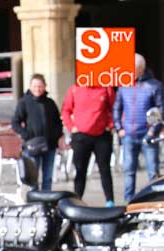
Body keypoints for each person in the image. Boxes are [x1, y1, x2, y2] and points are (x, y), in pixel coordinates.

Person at [114, 54, 164, 201]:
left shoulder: (154, 85)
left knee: (153, 172)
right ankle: (128, 201)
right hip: (129, 134)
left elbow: (161, 110)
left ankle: (154, 201)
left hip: (148, 135)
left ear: (141, 69)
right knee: (129, 171)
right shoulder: (124, 85)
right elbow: (117, 107)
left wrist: (153, 130)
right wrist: (119, 128)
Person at [61, 84, 116, 205]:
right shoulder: (75, 89)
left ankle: (110, 201)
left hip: (102, 135)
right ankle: (77, 200)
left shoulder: (105, 88)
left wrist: (111, 125)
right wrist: (71, 126)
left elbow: (115, 108)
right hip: (81, 136)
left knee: (105, 169)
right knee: (80, 170)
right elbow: (66, 110)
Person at [11, 74, 63, 191]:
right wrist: (26, 135)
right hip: (32, 145)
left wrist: (57, 135)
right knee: (33, 177)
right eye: (35, 86)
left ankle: (46, 197)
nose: (37, 89)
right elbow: (15, 122)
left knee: (48, 176)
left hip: (50, 145)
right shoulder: (24, 102)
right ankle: (34, 198)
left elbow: (58, 122)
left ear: (44, 86)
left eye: (40, 86)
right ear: (30, 87)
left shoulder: (50, 103)